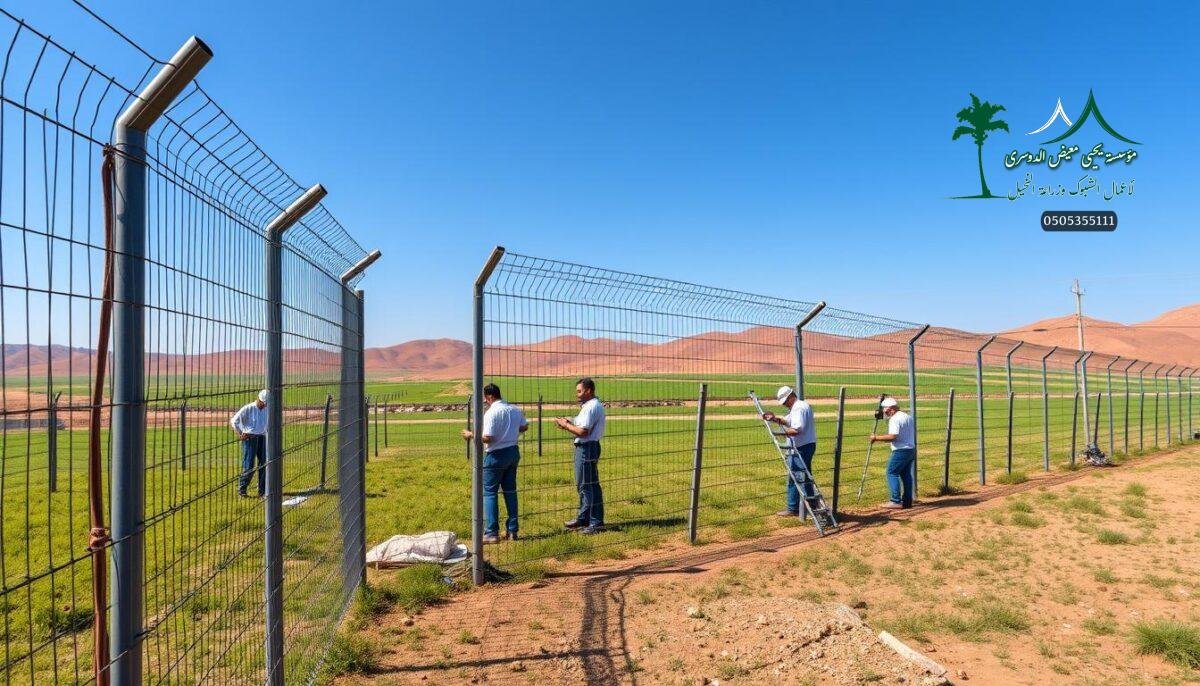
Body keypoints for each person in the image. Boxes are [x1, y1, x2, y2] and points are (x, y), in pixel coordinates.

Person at [462, 383, 528, 543]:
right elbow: (524, 426)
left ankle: (491, 532)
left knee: (490, 492)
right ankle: (513, 530)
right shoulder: (514, 409)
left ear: (489, 397)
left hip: (496, 454)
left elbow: (488, 438)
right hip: (513, 452)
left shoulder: (491, 413)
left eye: (485, 399)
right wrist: (510, 431)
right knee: (510, 491)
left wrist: (470, 434)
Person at [555, 377, 606, 534]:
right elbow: (581, 422)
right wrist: (570, 420)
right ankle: (585, 518)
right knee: (589, 484)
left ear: (588, 390)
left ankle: (594, 522)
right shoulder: (590, 406)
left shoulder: (591, 407)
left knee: (586, 485)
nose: (577, 394)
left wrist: (566, 425)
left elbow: (583, 432)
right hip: (588, 447)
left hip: (586, 447)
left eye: (579, 391)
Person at [760, 385, 817, 517]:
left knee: (795, 477)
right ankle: (812, 504)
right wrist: (775, 419)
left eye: (785, 401)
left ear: (791, 396)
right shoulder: (799, 407)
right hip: (807, 445)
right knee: (805, 475)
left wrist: (778, 433)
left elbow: (797, 429)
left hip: (801, 447)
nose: (784, 404)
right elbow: (789, 422)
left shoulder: (799, 408)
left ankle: (793, 508)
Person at [869, 397, 916, 509]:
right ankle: (907, 501)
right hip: (911, 449)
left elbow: (893, 436)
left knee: (891, 472)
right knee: (906, 475)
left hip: (900, 450)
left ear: (890, 408)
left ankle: (895, 500)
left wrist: (876, 438)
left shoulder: (894, 419)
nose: (884, 412)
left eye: (885, 409)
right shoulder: (907, 416)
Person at [231, 390, 269, 498]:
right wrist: (240, 433)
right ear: (259, 399)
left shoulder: (267, 409)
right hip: (250, 438)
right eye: (263, 403)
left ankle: (262, 491)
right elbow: (234, 421)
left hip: (262, 437)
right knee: (249, 466)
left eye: (266, 403)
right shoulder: (248, 408)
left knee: (264, 464)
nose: (265, 405)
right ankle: (242, 489)